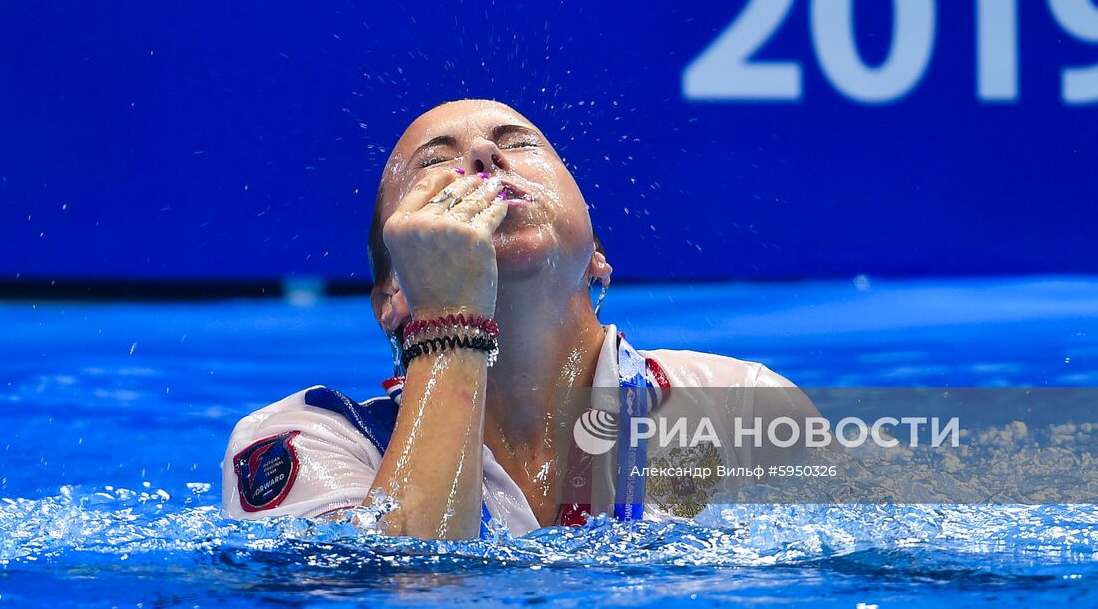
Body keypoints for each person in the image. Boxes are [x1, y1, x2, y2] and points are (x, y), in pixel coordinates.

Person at [222, 99, 814, 538]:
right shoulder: (310, 441)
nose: (484, 158)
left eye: (520, 144)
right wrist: (451, 321)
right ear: (393, 296)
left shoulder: (738, 407)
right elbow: (407, 593)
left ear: (597, 256)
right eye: (436, 161)